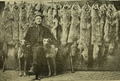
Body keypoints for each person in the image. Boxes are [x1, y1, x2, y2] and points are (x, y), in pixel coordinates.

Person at [24, 13, 56, 80]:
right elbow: (26, 39)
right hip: (32, 46)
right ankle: (36, 74)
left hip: (43, 46)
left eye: (40, 19)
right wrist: (27, 44)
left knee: (38, 50)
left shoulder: (46, 29)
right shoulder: (31, 29)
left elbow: (52, 38)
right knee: (36, 50)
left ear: (42, 20)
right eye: (37, 19)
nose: (39, 20)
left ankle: (33, 69)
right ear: (34, 20)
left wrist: (53, 45)